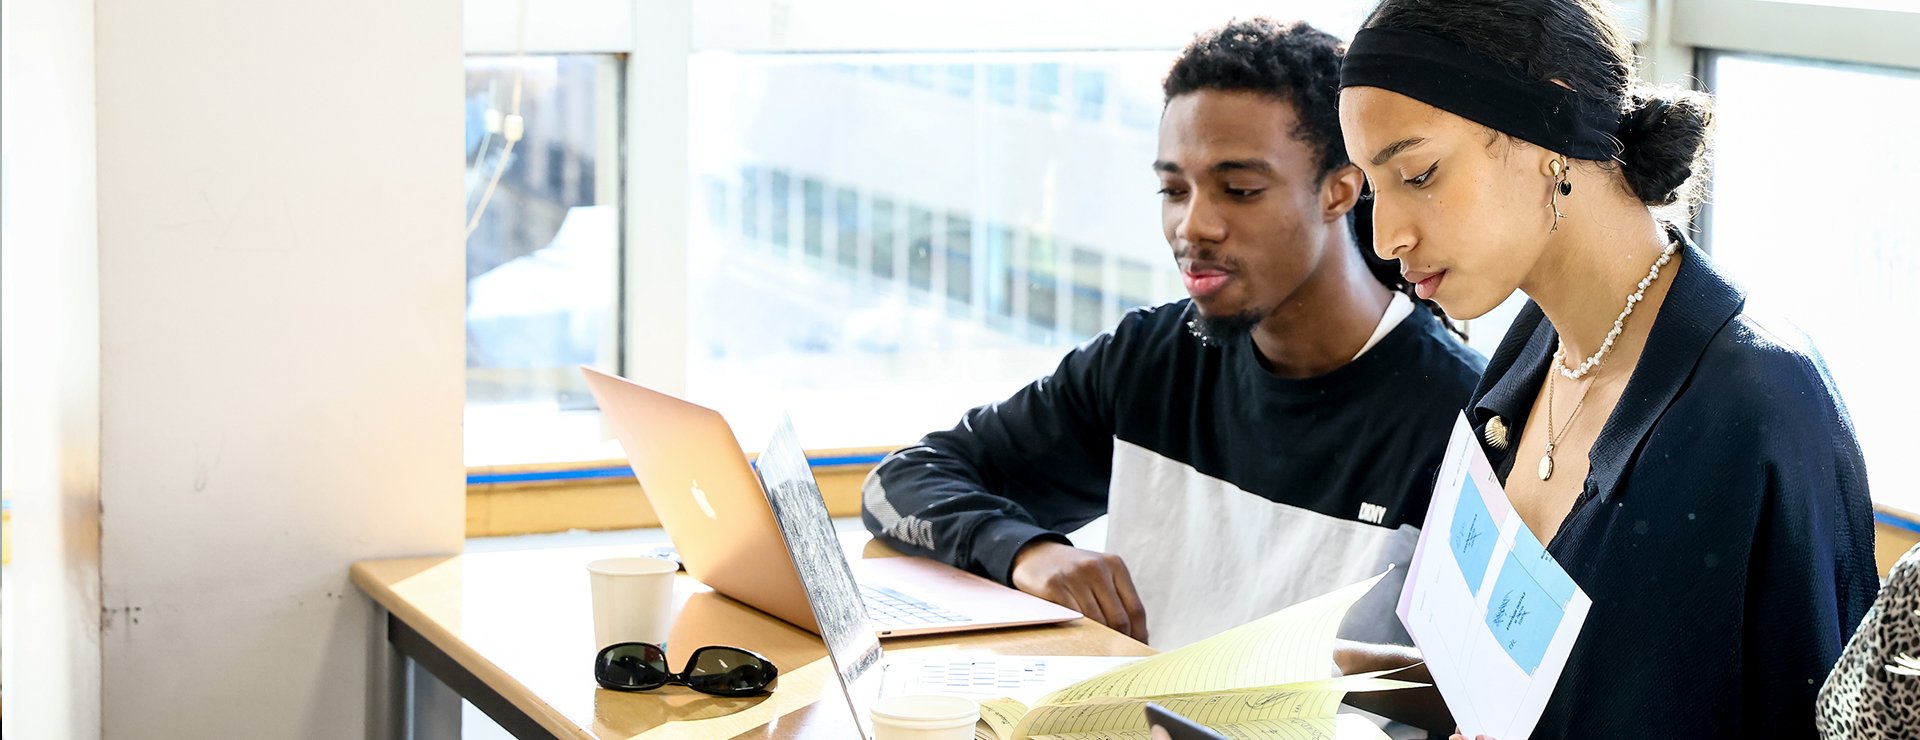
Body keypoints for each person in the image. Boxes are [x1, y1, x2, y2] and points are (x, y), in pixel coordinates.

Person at [1331, 1, 1879, 736]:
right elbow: (1521, 684)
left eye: (1419, 174)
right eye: (1372, 186)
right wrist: (1308, 676)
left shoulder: (1760, 410)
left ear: (1549, 125)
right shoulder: (1532, 350)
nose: (1386, 235)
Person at [861, 18, 1485, 651]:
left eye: (1239, 190)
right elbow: (900, 483)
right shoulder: (1148, 361)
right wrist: (1028, 552)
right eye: (1173, 189)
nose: (1194, 225)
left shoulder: (1465, 421)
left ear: (1340, 191)